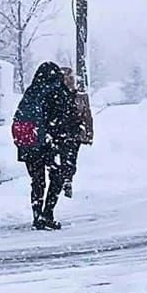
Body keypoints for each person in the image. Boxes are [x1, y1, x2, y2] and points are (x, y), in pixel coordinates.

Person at [12, 62, 70, 230]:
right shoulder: (57, 91)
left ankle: (37, 216)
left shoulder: (32, 91)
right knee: (57, 177)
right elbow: (61, 118)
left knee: (37, 180)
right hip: (49, 143)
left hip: (29, 143)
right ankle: (48, 213)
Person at [57, 67, 94, 199]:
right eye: (67, 78)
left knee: (70, 157)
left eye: (71, 78)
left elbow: (87, 116)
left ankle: (67, 180)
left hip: (74, 133)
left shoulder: (80, 96)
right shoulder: (56, 96)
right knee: (64, 157)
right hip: (59, 132)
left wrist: (89, 134)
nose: (70, 80)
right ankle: (64, 180)